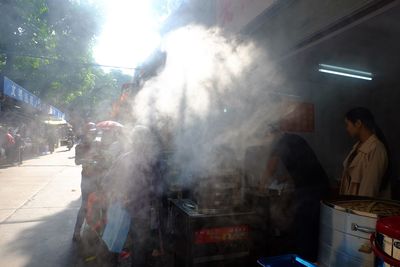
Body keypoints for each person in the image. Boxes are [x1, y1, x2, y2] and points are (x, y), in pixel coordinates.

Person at [258, 125, 329, 262]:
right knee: (310, 229)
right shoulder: (293, 139)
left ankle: (305, 261)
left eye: (265, 137)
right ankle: (311, 260)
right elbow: (301, 165)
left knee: (304, 229)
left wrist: (261, 187)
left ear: (271, 133)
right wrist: (285, 179)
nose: (266, 141)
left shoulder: (280, 142)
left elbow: (269, 169)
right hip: (319, 186)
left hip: (311, 190)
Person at [340, 107, 391, 198]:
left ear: (358, 123)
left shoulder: (376, 149)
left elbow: (368, 191)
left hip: (363, 209)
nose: (347, 129)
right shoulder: (357, 147)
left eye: (348, 124)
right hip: (351, 207)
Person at [73, 122, 99, 242]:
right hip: (87, 178)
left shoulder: (98, 145)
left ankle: (93, 231)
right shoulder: (80, 146)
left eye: (93, 132)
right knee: (84, 205)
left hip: (98, 178)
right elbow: (77, 161)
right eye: (90, 132)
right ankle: (77, 232)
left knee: (97, 204)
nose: (92, 134)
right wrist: (87, 160)